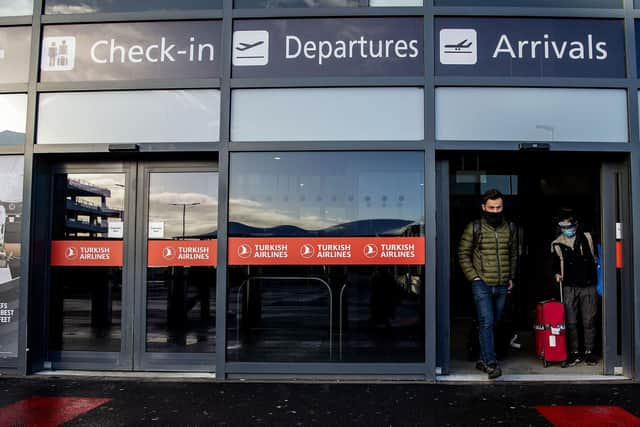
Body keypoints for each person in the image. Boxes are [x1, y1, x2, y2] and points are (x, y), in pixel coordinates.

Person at [458, 189, 517, 379]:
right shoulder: (474, 227)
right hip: (481, 283)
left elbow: (513, 254)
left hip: (502, 284)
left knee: (494, 322)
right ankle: (492, 363)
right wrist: (473, 277)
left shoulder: (510, 228)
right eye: (491, 207)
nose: (495, 211)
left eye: (498, 207)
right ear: (484, 207)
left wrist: (511, 277)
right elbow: (463, 254)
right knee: (487, 321)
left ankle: (483, 359)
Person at [551, 210, 599, 367]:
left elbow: (597, 256)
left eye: (569, 225)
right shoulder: (557, 243)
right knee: (570, 322)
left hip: (588, 285)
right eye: (563, 226)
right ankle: (574, 353)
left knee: (589, 320)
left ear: (576, 224)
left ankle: (589, 352)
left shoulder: (588, 237)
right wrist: (557, 273)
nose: (567, 229)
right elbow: (555, 265)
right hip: (569, 286)